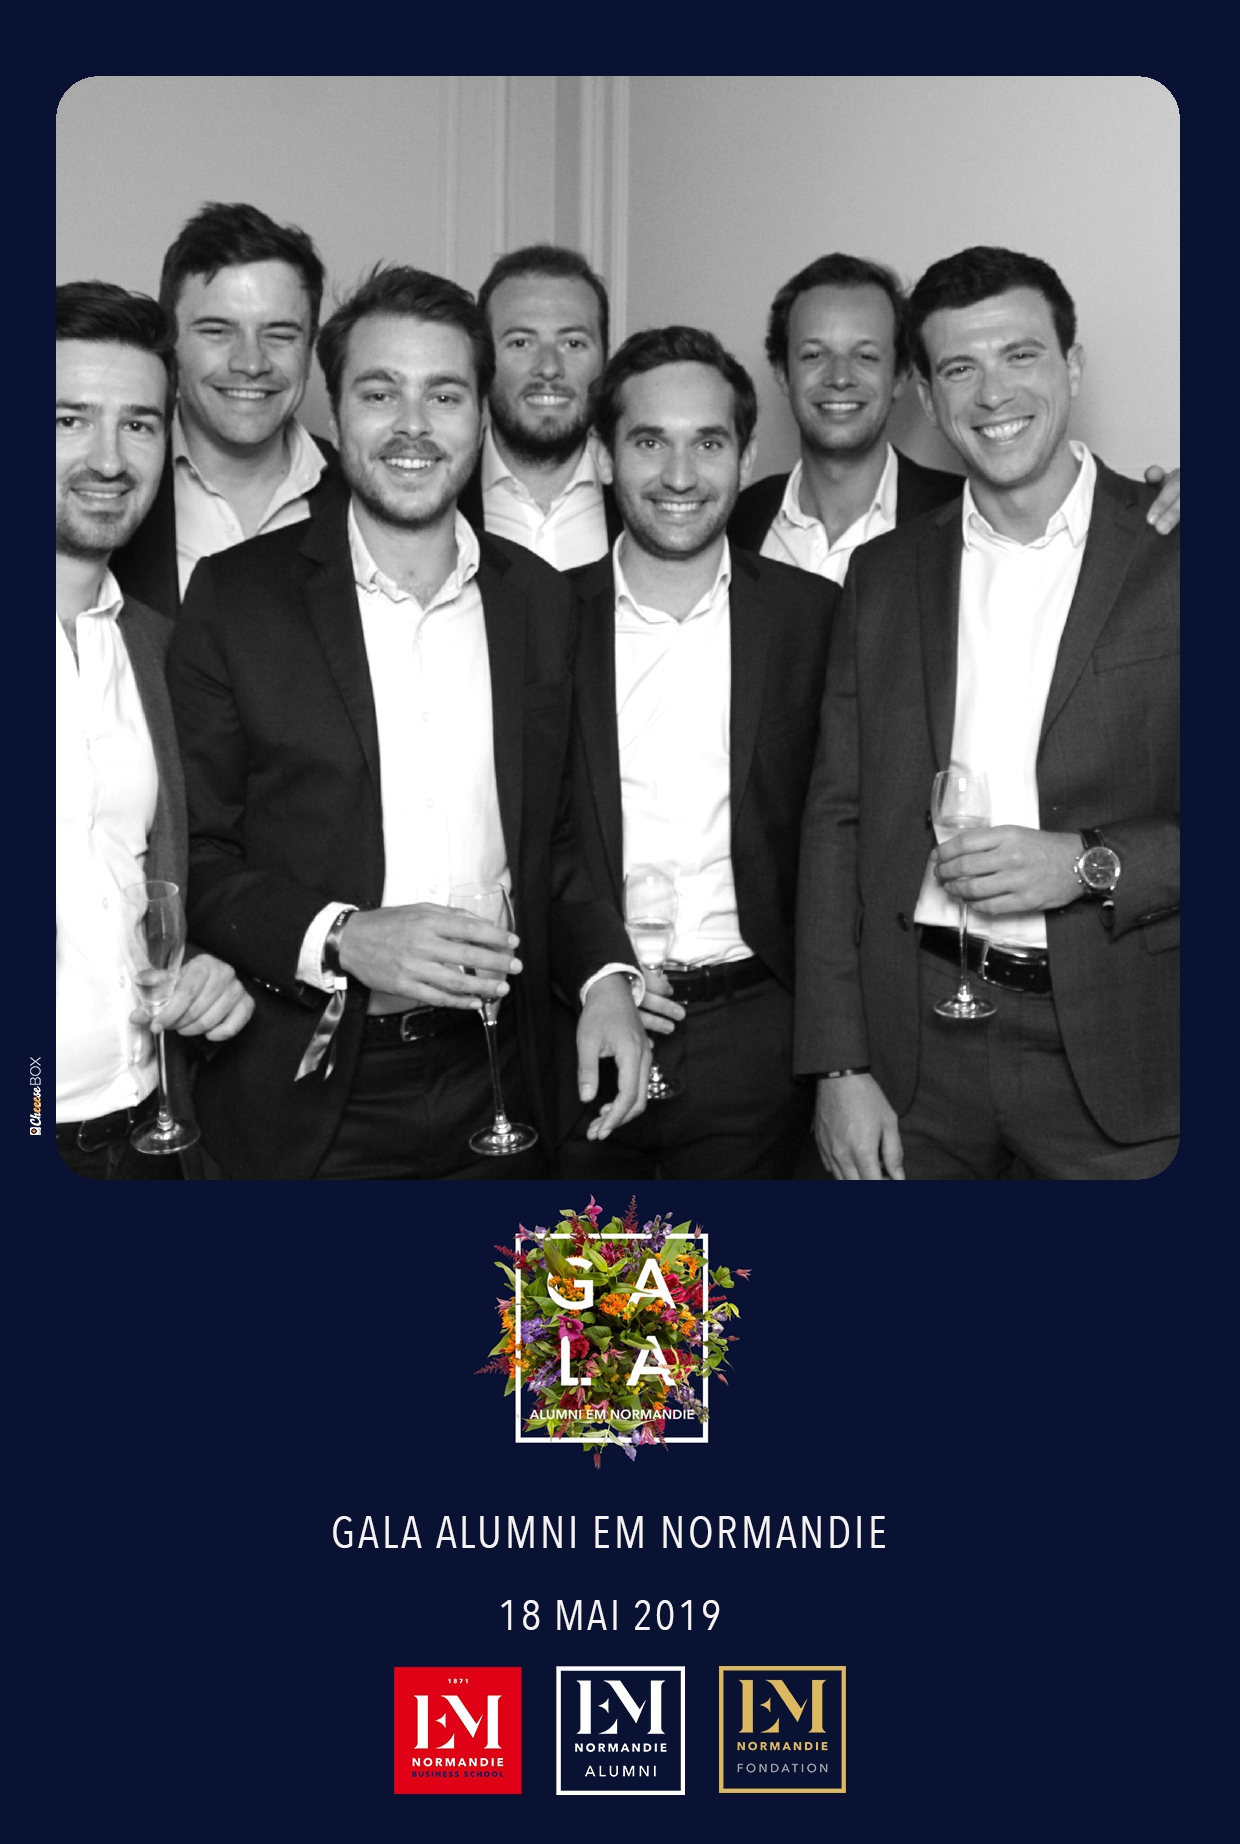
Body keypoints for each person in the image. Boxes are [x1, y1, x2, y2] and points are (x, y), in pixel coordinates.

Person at [167, 265, 649, 1180]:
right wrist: (342, 935)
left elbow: (558, 840)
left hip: (502, 1075)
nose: (414, 426)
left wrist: (605, 979)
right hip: (308, 1085)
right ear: (335, 408)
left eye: (445, 395)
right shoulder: (235, 599)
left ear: (481, 412)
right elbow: (194, 852)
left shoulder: (540, 602)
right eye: (380, 393)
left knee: (557, 1285)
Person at [794, 246, 1178, 1180]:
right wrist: (838, 1064)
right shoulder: (884, 574)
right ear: (927, 398)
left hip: (1127, 1058)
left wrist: (1086, 863)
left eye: (1021, 355)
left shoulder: (1179, 550)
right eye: (960, 368)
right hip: (914, 1059)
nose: (993, 393)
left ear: (1072, 366)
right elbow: (837, 820)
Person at [556, 326, 838, 1179]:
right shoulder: (538, 622)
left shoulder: (816, 619)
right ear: (603, 457)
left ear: (746, 457)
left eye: (708, 443)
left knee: (729, 1270)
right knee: (591, 1270)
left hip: (757, 1035)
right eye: (650, 442)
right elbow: (530, 835)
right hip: (583, 1020)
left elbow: (846, 831)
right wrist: (596, 972)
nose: (680, 476)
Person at [56, 282, 253, 1179]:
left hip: (147, 1129)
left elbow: (143, 882)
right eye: (68, 419)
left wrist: (205, 965)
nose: (108, 458)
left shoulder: (159, 648)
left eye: (137, 424)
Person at [729, 251, 1181, 576]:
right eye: (813, 355)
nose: (840, 378)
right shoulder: (731, 517)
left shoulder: (976, 512)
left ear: (902, 377)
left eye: (866, 356)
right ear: (782, 374)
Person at [111, 202, 342, 618]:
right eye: (217, 331)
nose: (251, 364)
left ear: (310, 347)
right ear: (170, 344)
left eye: (280, 335)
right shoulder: (107, 486)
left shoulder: (362, 490)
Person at [458, 244, 621, 567]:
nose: (549, 367)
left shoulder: (647, 499)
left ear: (604, 359)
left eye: (573, 343)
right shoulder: (440, 496)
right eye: (521, 342)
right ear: (482, 360)